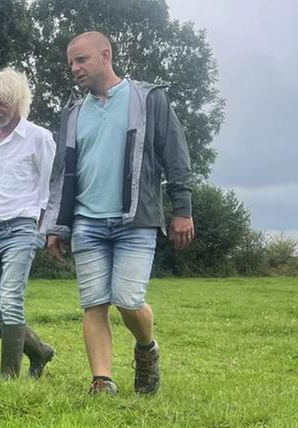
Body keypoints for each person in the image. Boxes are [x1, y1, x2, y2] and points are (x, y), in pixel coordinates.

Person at [41, 31, 195, 395]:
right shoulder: (74, 112)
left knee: (127, 300)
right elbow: (62, 173)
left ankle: (146, 349)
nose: (75, 69)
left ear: (106, 55)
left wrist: (182, 209)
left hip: (135, 221)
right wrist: (55, 225)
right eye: (71, 63)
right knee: (94, 303)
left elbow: (176, 155)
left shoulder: (148, 99)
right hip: (87, 223)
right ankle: (102, 380)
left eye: (81, 60)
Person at [0, 67, 56, 379]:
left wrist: (42, 230)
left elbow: (49, 190)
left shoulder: (39, 139)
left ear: (18, 102)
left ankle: (8, 377)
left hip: (21, 229)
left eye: (3, 103)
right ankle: (40, 351)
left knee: (10, 302)